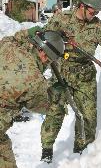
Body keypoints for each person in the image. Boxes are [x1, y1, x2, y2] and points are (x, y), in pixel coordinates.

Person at [40, 0, 101, 163]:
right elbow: (43, 37)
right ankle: (46, 148)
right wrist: (56, 35)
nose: (95, 14)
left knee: (88, 115)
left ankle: (83, 149)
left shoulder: (97, 25)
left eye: (97, 12)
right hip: (61, 71)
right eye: (93, 11)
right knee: (55, 111)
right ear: (82, 6)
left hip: (84, 75)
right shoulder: (62, 18)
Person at [0, 29, 64, 168]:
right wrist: (54, 90)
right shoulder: (35, 81)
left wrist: (28, 32)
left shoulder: (9, 46)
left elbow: (12, 38)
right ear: (44, 55)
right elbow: (43, 106)